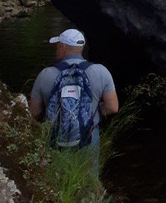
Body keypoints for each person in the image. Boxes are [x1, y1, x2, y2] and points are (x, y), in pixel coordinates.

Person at [28, 28, 118, 167]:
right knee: (89, 181)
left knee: (56, 179)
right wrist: (93, 111)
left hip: (55, 138)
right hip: (88, 136)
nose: (56, 49)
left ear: (63, 47)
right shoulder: (101, 72)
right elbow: (113, 107)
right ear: (81, 48)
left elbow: (33, 113)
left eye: (57, 45)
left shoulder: (45, 74)